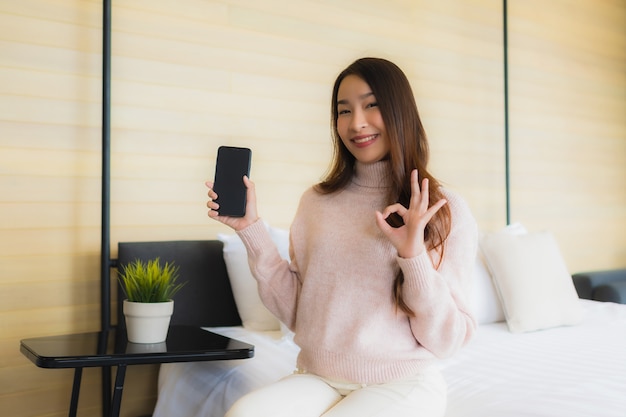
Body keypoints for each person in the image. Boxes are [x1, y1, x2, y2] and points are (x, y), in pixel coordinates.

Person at [206, 57, 478, 417]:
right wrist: (251, 230)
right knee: (243, 412)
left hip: (403, 381)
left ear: (400, 112)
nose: (357, 123)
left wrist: (413, 259)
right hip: (319, 376)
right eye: (344, 110)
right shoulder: (317, 202)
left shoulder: (442, 208)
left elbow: (447, 340)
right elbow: (299, 313)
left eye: (371, 105)